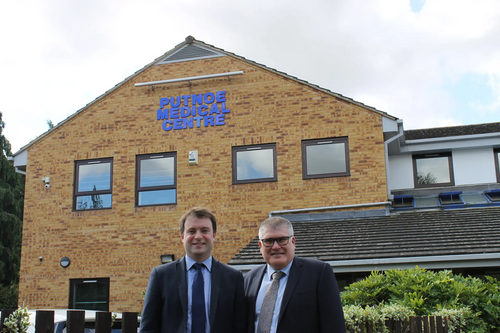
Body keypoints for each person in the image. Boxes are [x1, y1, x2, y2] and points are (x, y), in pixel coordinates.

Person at [140, 207, 247, 333]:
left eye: (204, 231)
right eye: (191, 231)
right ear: (182, 237)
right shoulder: (161, 276)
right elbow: (148, 328)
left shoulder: (233, 278)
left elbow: (240, 327)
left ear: (214, 235)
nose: (198, 236)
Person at [244, 216, 346, 333]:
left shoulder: (318, 273)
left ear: (293, 242)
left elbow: (334, 325)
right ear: (260, 246)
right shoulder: (249, 279)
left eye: (282, 239)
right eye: (268, 241)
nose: (276, 246)